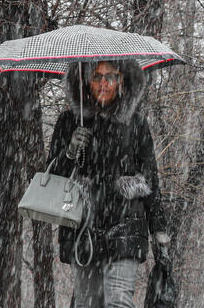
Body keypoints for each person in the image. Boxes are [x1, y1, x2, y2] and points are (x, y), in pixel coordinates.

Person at [47, 60, 170, 308]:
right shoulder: (70, 121)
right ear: (85, 81)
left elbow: (150, 177)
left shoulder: (135, 123)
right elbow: (51, 176)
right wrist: (70, 152)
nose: (103, 83)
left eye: (110, 77)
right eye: (97, 76)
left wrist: (159, 230)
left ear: (121, 80)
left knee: (119, 302)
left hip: (125, 224)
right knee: (87, 303)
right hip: (83, 227)